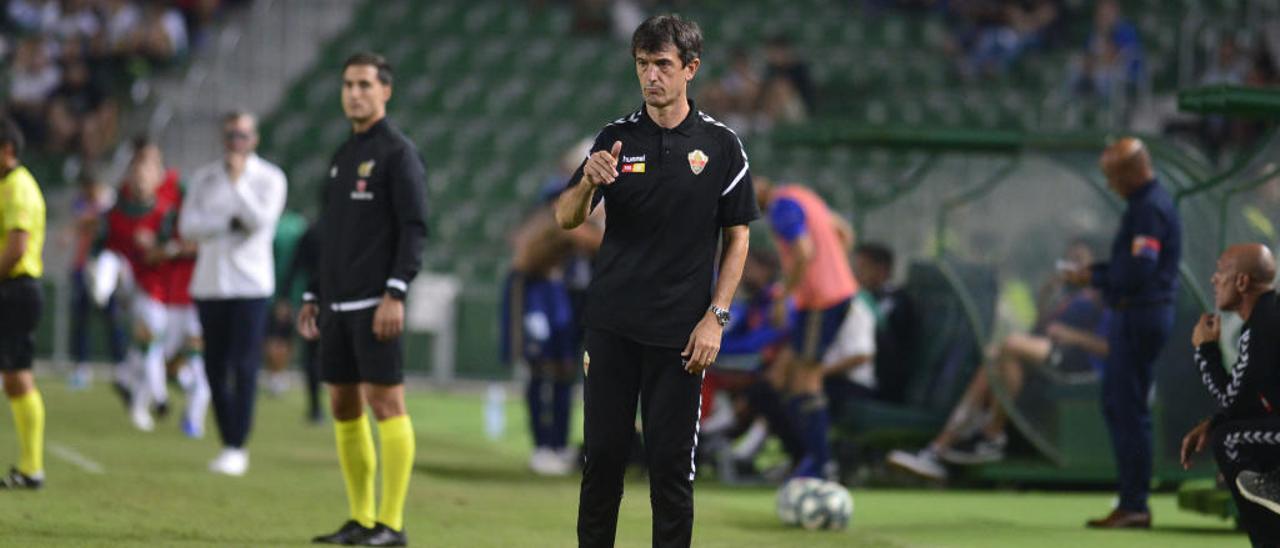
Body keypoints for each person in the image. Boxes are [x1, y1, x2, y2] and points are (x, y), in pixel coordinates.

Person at [554, 15, 757, 548]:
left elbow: (738, 238)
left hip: (681, 336)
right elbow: (566, 218)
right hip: (612, 326)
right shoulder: (615, 138)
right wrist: (585, 184)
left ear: (690, 68)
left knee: (670, 470)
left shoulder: (721, 147)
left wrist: (715, 317)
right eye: (643, 64)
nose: (651, 76)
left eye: (663, 65)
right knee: (602, 463)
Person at [296, 52, 427, 547]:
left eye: (365, 85)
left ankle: (391, 525)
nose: (355, 93)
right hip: (335, 304)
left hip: (377, 304)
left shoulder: (398, 154)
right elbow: (328, 234)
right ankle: (360, 517)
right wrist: (313, 291)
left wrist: (396, 292)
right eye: (349, 84)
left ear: (385, 91)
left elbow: (415, 228)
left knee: (387, 403)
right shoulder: (340, 156)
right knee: (344, 406)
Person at [890, 241, 1110, 481]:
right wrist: (1047, 294)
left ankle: (991, 434)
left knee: (1011, 343)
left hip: (1084, 364)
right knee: (995, 356)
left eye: (1079, 259)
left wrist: (1072, 335)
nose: (1072, 265)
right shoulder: (1069, 296)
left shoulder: (1106, 293)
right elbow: (1040, 329)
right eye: (1069, 258)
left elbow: (1110, 347)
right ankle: (940, 448)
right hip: (1052, 355)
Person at [1065, 137, 1182, 529]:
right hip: (1138, 314)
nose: (1111, 186)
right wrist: (1098, 274)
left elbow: (1138, 270)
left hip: (1141, 315)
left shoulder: (1149, 209)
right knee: (1123, 405)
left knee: (1127, 407)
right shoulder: (1144, 205)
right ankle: (1132, 500)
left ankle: (1135, 503)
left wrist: (1095, 276)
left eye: (1114, 177)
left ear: (1133, 171)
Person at [179, 111, 286, 475]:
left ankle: (237, 443)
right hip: (210, 283)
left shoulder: (270, 178)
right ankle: (227, 437)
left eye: (242, 135)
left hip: (250, 285)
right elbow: (188, 226)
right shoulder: (205, 177)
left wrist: (238, 184)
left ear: (254, 139)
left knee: (243, 366)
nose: (236, 142)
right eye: (230, 135)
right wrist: (223, 224)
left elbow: (260, 222)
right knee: (213, 366)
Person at [756, 177, 858, 480]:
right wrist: (836, 265)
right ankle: (811, 458)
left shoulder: (781, 207)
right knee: (792, 375)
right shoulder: (802, 194)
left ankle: (820, 462)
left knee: (805, 380)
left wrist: (783, 296)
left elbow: (803, 251)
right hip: (835, 293)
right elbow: (843, 232)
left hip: (819, 300)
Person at [1181, 243, 1280, 546]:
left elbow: (1231, 399)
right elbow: (1246, 399)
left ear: (1242, 282)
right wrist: (1215, 420)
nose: (1213, 279)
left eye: (1221, 271)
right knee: (1230, 429)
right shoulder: (1269, 316)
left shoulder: (1263, 326)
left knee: (1229, 439)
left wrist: (1205, 351)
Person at [502, 185, 602, 476]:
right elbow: (583, 238)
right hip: (536, 293)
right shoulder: (555, 222)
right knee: (540, 368)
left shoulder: (562, 228)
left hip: (559, 293)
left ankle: (556, 444)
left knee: (563, 370)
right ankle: (543, 446)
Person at [0, 118, 47, 489]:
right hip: (16, 291)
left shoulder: (19, 189)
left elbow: (15, 250)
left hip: (15, 289)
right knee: (17, 379)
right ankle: (31, 470)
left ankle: (33, 468)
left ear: (8, 151)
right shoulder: (8, 185)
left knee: (16, 377)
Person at [67, 170, 127, 389]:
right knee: (81, 320)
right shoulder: (83, 202)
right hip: (82, 267)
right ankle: (81, 368)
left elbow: (105, 224)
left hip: (105, 269)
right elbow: (83, 222)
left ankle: (121, 368)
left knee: (112, 319)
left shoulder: (110, 201)